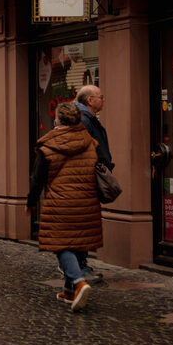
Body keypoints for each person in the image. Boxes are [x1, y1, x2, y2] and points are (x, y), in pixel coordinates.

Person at [26, 101, 100, 313]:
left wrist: (31, 201)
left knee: (61, 244)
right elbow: (103, 164)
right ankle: (69, 290)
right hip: (87, 200)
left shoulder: (49, 144)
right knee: (77, 240)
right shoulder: (90, 142)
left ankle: (78, 282)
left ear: (58, 119)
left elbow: (38, 177)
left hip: (60, 201)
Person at [75, 85, 111, 284]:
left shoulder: (86, 119)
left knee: (84, 223)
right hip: (85, 181)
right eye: (101, 96)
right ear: (90, 100)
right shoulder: (83, 120)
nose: (103, 99)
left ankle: (78, 265)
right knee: (83, 223)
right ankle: (78, 267)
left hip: (85, 180)